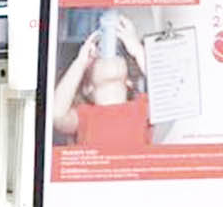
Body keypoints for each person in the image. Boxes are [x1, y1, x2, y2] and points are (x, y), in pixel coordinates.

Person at [53, 11, 150, 149]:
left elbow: (172, 95)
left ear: (129, 81)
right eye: (97, 58)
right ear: (88, 87)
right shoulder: (84, 116)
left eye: (118, 53)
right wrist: (80, 62)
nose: (108, 56)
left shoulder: (142, 107)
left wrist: (136, 49)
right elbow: (56, 114)